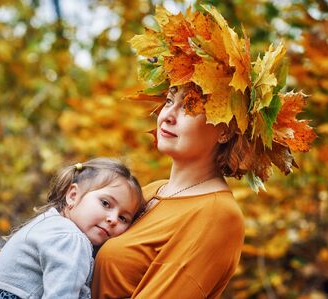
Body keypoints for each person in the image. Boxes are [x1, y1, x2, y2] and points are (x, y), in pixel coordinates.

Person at [92, 5, 315, 299]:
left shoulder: (218, 216)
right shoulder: (151, 191)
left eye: (191, 106)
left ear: (225, 129)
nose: (168, 115)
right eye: (170, 100)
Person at [0, 158, 144, 299]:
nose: (113, 219)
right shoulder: (71, 238)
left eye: (123, 218)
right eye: (105, 203)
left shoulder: (50, 223)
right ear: (73, 195)